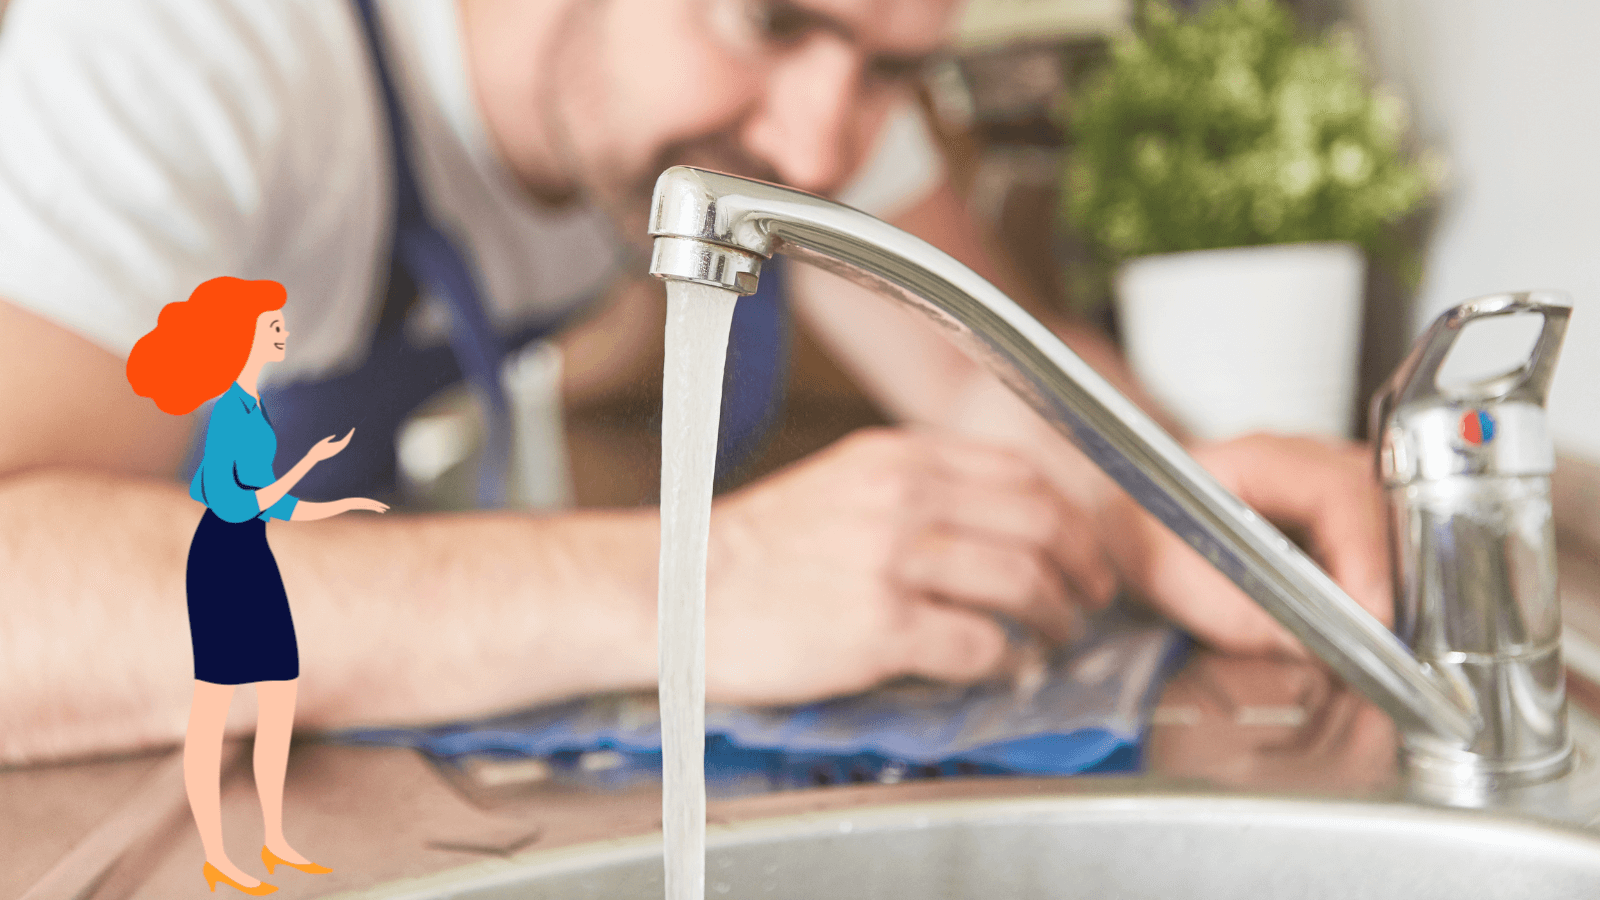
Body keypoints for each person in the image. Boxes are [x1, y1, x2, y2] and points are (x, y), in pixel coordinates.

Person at [0, 0, 1393, 766]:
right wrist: (696, 588)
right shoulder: (186, 50)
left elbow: (986, 384)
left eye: (893, 68)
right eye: (771, 22)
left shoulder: (807, 98)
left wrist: (1176, 507)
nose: (826, 143)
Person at [127, 277, 387, 892]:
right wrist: (310, 468)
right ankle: (217, 851)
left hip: (254, 554)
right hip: (222, 560)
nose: (284, 331)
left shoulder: (255, 403)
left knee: (278, 697)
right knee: (214, 707)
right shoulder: (228, 414)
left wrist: (341, 503)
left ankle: (273, 840)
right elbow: (235, 503)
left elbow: (272, 509)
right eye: (274, 326)